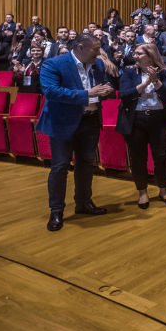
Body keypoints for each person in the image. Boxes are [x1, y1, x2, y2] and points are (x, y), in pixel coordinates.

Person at [36, 34, 114, 232]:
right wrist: (87, 94)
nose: (99, 53)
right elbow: (51, 91)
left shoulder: (98, 64)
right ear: (80, 47)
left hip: (90, 120)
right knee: (60, 167)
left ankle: (83, 202)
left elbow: (104, 85)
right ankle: (56, 211)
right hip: (63, 122)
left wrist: (107, 90)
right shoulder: (54, 63)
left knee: (86, 164)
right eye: (95, 49)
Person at [116, 43, 166, 210]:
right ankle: (142, 193)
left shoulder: (165, 72)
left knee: (162, 158)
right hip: (136, 120)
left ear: (150, 56)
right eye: (135, 53)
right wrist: (146, 82)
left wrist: (155, 80)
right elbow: (124, 95)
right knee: (138, 158)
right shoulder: (128, 72)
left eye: (139, 53)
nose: (135, 56)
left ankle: (163, 190)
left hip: (159, 119)